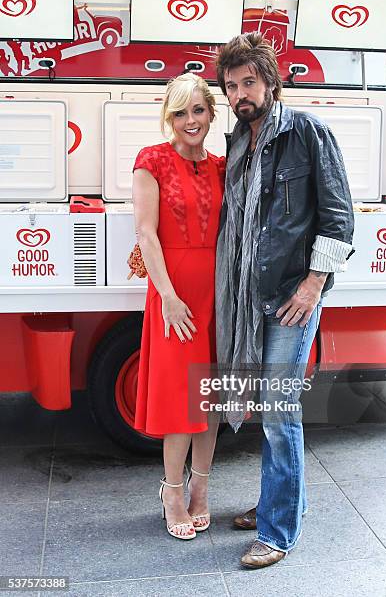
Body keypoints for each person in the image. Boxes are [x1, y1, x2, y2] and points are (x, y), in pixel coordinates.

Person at [215, 33, 354, 568]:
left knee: (278, 412)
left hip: (293, 297)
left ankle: (276, 532)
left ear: (270, 82)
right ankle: (278, 500)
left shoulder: (307, 132)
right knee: (265, 410)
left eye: (249, 81)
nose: (240, 94)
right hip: (250, 297)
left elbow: (338, 217)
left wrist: (313, 285)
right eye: (231, 86)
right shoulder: (237, 142)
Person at [132, 73, 225, 540]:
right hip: (175, 296)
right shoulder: (151, 160)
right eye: (180, 112)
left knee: (207, 396)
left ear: (211, 112)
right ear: (169, 116)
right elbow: (146, 233)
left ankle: (201, 490)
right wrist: (167, 296)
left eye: (198, 110)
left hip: (219, 294)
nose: (190, 121)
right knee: (180, 400)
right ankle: (172, 492)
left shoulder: (224, 166)